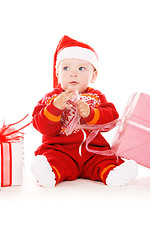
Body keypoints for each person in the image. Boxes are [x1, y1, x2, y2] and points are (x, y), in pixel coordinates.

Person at [31, 35, 138, 187]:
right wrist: (56, 107)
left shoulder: (96, 96)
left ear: (93, 75)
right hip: (61, 151)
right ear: (57, 73)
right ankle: (48, 174)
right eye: (66, 68)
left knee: (104, 161)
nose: (73, 74)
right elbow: (41, 125)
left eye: (81, 68)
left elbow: (112, 119)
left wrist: (91, 113)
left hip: (92, 151)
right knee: (53, 160)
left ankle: (113, 175)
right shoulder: (51, 98)